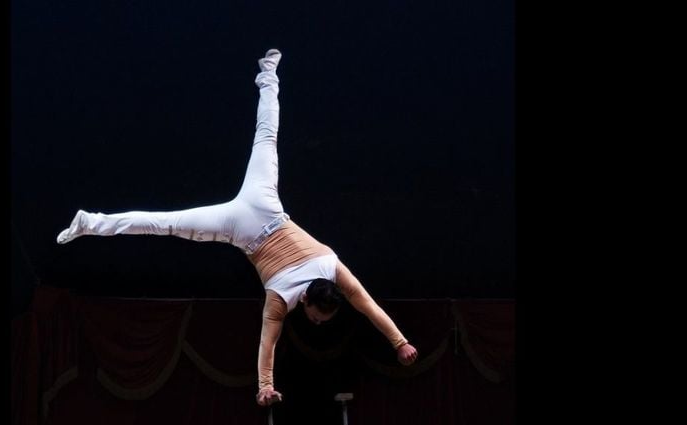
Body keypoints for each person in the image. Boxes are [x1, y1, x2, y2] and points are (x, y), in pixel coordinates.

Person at [56, 49, 418, 406]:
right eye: (316, 317)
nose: (317, 323)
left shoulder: (330, 263)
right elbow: (269, 343)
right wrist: (264, 385)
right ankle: (91, 223)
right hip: (243, 228)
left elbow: (367, 306)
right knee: (164, 224)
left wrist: (401, 342)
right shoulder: (281, 298)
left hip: (264, 207)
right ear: (306, 299)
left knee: (266, 138)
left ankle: (268, 73)